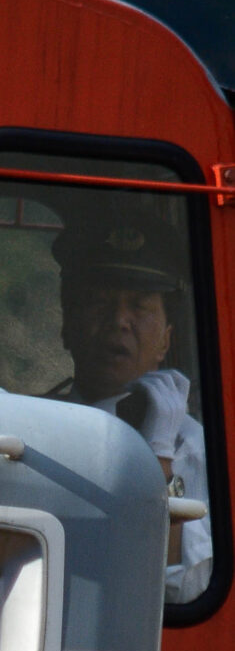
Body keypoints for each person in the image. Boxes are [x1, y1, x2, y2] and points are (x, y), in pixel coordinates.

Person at [52, 206, 210, 603]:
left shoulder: (198, 448)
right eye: (99, 302)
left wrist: (159, 459)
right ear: (67, 326)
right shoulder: (35, 430)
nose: (119, 321)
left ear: (165, 340)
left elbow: (183, 592)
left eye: (139, 306)